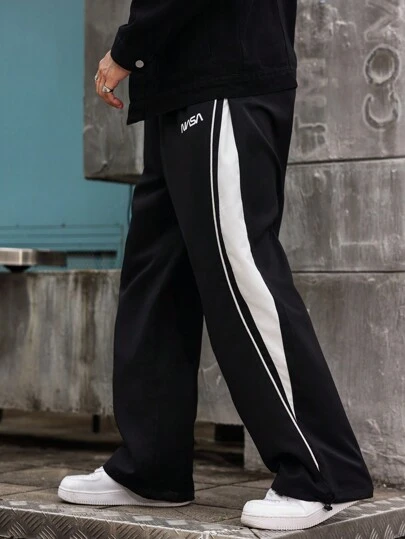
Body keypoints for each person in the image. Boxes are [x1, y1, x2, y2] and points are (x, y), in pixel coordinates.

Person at [58, 0, 373, 530]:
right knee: (157, 281)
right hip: (178, 86)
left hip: (224, 72)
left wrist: (130, 46)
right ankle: (151, 469)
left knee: (240, 268)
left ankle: (325, 472)